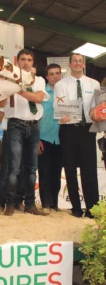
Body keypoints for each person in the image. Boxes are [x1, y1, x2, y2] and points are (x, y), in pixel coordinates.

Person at [2, 49, 49, 216]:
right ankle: (10, 204)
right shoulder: (8, 79)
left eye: (29, 60)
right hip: (15, 125)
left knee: (32, 169)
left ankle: (30, 205)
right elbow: (0, 103)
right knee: (14, 168)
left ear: (33, 62)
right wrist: (9, 86)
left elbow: (38, 98)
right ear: (17, 61)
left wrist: (19, 90)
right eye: (23, 59)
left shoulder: (40, 80)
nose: (26, 62)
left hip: (34, 126)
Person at [54, 53, 100, 218]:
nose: (78, 64)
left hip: (87, 130)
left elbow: (97, 107)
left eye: (81, 61)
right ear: (70, 64)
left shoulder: (94, 84)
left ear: (84, 64)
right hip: (68, 129)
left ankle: (92, 208)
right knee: (70, 169)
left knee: (89, 170)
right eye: (75, 61)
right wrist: (63, 115)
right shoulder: (61, 84)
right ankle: (75, 207)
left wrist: (97, 113)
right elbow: (59, 106)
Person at [38, 64, 63, 214]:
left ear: (61, 75)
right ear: (47, 77)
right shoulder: (42, 94)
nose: (55, 76)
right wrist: (36, 140)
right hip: (43, 138)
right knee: (44, 173)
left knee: (56, 173)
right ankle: (46, 204)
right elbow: (35, 118)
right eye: (51, 74)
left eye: (57, 73)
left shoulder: (66, 93)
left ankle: (54, 203)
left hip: (60, 140)